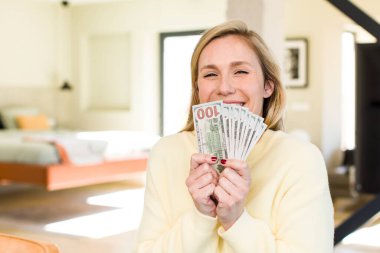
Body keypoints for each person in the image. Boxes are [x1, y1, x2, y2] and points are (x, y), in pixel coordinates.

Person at [135, 20, 334, 253]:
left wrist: (237, 221)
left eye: (240, 71)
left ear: (267, 86)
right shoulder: (166, 152)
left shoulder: (301, 159)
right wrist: (200, 216)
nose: (225, 87)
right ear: (197, 89)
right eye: (210, 74)